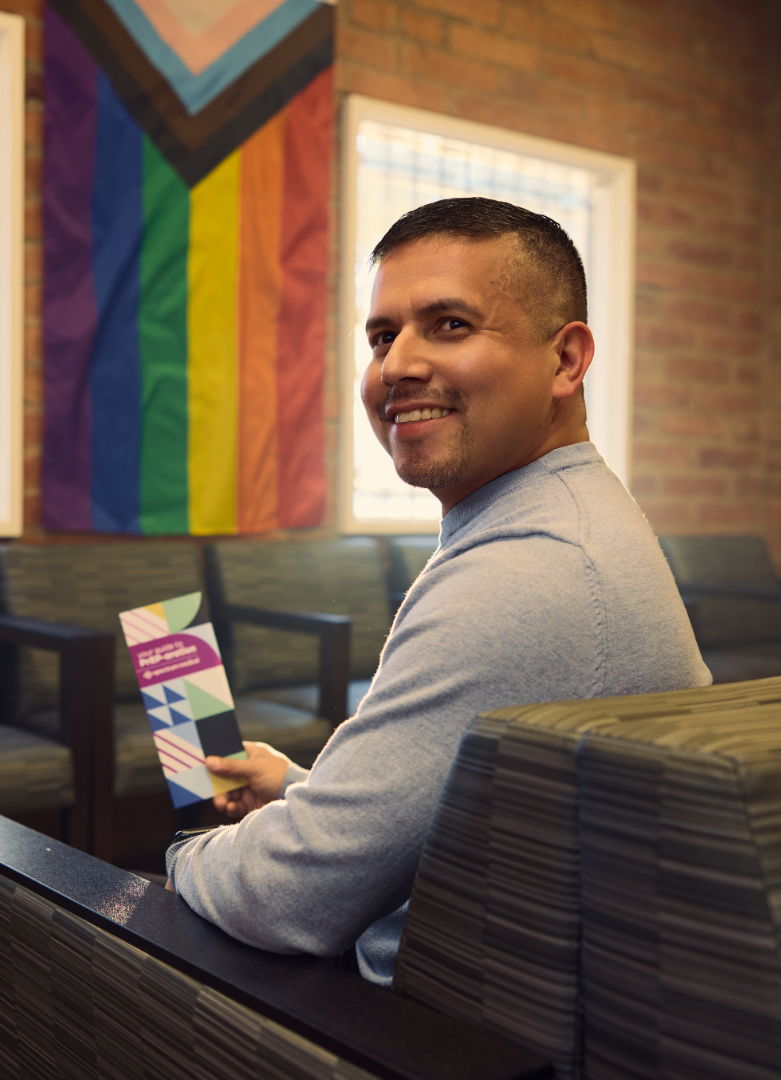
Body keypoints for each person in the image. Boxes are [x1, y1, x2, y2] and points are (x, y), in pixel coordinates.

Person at [165, 197, 711, 985]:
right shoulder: (566, 517)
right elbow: (475, 820)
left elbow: (289, 898)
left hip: (427, 1031)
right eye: (383, 336)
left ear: (566, 361)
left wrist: (188, 854)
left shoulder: (526, 573)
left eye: (449, 324)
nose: (398, 366)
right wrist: (298, 789)